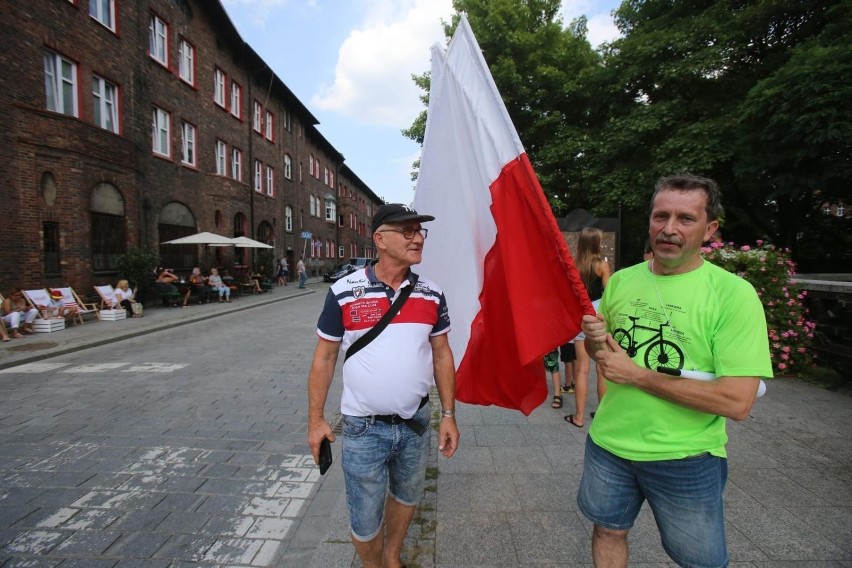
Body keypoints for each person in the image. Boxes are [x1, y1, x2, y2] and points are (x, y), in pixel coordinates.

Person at [577, 173, 772, 568]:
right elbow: (605, 353)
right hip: (609, 444)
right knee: (607, 530)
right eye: (660, 216)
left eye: (685, 218)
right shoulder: (622, 281)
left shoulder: (733, 295)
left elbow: (737, 402)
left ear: (710, 228)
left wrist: (638, 376)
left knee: (700, 561)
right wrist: (595, 338)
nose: (668, 229)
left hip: (686, 456)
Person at [307, 203, 460, 568]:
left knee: (407, 497)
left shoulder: (432, 293)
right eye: (407, 231)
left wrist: (450, 414)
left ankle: (392, 557)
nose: (418, 237)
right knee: (363, 516)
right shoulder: (345, 291)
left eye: (420, 231)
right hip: (363, 428)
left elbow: (442, 354)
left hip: (416, 423)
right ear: (380, 239)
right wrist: (315, 420)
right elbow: (324, 358)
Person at [564, 227, 611, 428]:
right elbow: (609, 293)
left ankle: (579, 417)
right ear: (596, 243)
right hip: (598, 315)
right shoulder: (602, 265)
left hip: (580, 315)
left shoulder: (573, 264)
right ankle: (602, 415)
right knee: (601, 368)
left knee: (582, 370)